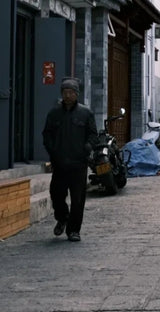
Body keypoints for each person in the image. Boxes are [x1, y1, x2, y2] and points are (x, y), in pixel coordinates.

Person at [42, 77, 97, 242]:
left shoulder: (85, 113)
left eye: (71, 92)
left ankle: (74, 230)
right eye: (65, 92)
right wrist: (52, 151)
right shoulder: (54, 113)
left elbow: (93, 134)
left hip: (78, 164)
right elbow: (47, 134)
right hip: (60, 163)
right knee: (56, 195)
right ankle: (62, 217)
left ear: (76, 94)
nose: (68, 95)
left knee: (78, 199)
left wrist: (87, 147)